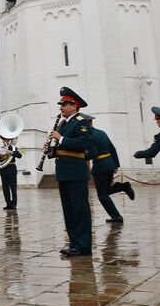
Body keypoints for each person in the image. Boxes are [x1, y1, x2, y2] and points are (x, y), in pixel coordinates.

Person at [49, 87, 93, 257]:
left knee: (79, 210)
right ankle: (74, 243)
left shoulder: (82, 122)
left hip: (76, 172)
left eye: (64, 104)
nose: (60, 107)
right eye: (61, 104)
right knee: (69, 210)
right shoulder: (64, 123)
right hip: (64, 172)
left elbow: (83, 144)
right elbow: (62, 148)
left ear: (74, 106)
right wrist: (51, 150)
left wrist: (60, 138)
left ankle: (83, 246)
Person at [84, 115, 135, 223]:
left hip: (100, 166)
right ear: (91, 123)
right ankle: (123, 186)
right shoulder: (101, 132)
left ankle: (116, 216)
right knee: (106, 190)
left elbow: (92, 153)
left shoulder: (87, 135)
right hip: (110, 164)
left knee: (102, 194)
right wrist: (116, 164)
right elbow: (112, 148)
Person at [0, 135, 22, 210]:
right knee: (5, 188)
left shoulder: (13, 147)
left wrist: (11, 152)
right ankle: (8, 203)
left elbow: (19, 155)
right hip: (3, 170)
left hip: (11, 169)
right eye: (3, 140)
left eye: (6, 140)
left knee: (13, 188)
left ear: (9, 140)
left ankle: (14, 204)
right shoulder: (0, 149)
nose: (5, 141)